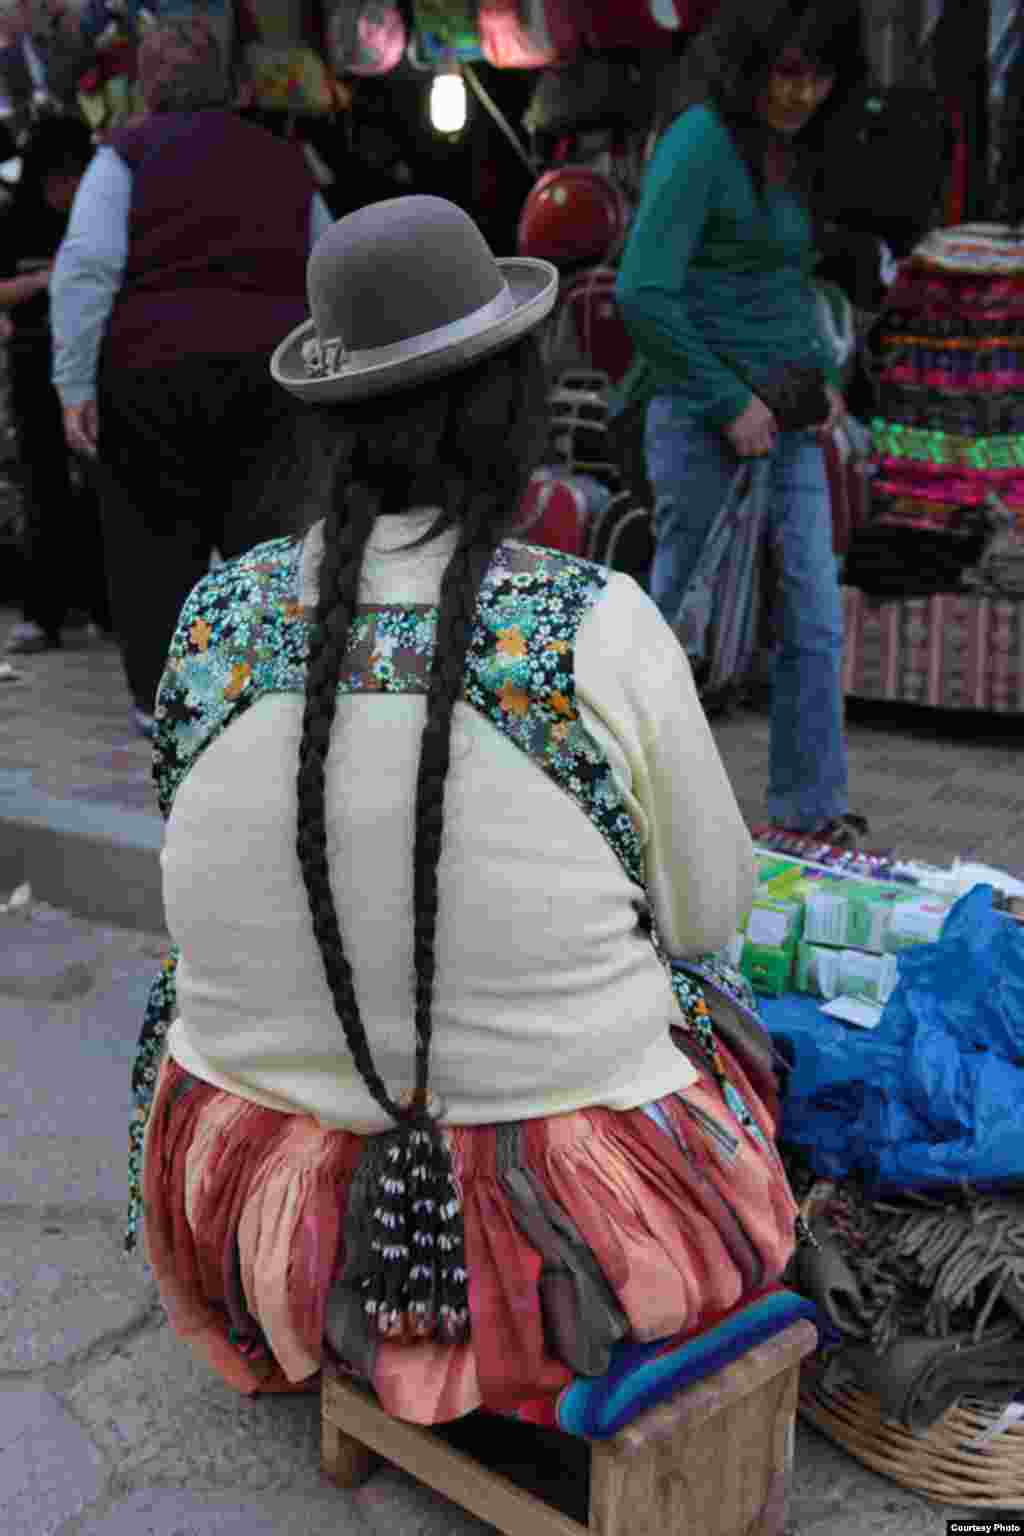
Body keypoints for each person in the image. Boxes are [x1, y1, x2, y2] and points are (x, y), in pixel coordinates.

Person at [126, 195, 800, 1418]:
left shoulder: (216, 614)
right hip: (578, 1249)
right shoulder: (596, 621)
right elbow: (710, 915)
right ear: (512, 407)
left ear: (328, 425)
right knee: (715, 995)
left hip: (255, 1224)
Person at [616, 0, 870, 848]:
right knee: (681, 630)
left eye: (818, 76)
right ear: (750, 65)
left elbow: (783, 284)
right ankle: (639, 812)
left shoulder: (792, 151)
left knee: (814, 615)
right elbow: (642, 293)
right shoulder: (699, 142)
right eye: (787, 73)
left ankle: (811, 811)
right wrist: (729, 404)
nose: (802, 93)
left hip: (788, 419)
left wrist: (822, 377)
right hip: (697, 421)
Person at [49, 18, 333, 739]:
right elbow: (330, 265)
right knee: (271, 543)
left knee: (151, 543)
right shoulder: (285, 161)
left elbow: (86, 270)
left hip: (151, 374)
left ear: (147, 84)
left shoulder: (125, 156)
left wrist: (74, 385)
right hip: (274, 376)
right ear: (230, 84)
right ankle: (274, 697)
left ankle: (163, 703)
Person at [0, 111, 113, 655]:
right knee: (42, 485)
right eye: (56, 177)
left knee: (101, 483)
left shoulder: (98, 214)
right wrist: (50, 279)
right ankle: (43, 612)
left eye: (73, 175)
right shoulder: (14, 220)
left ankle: (105, 606)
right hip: (34, 359)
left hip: (95, 360)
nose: (64, 189)